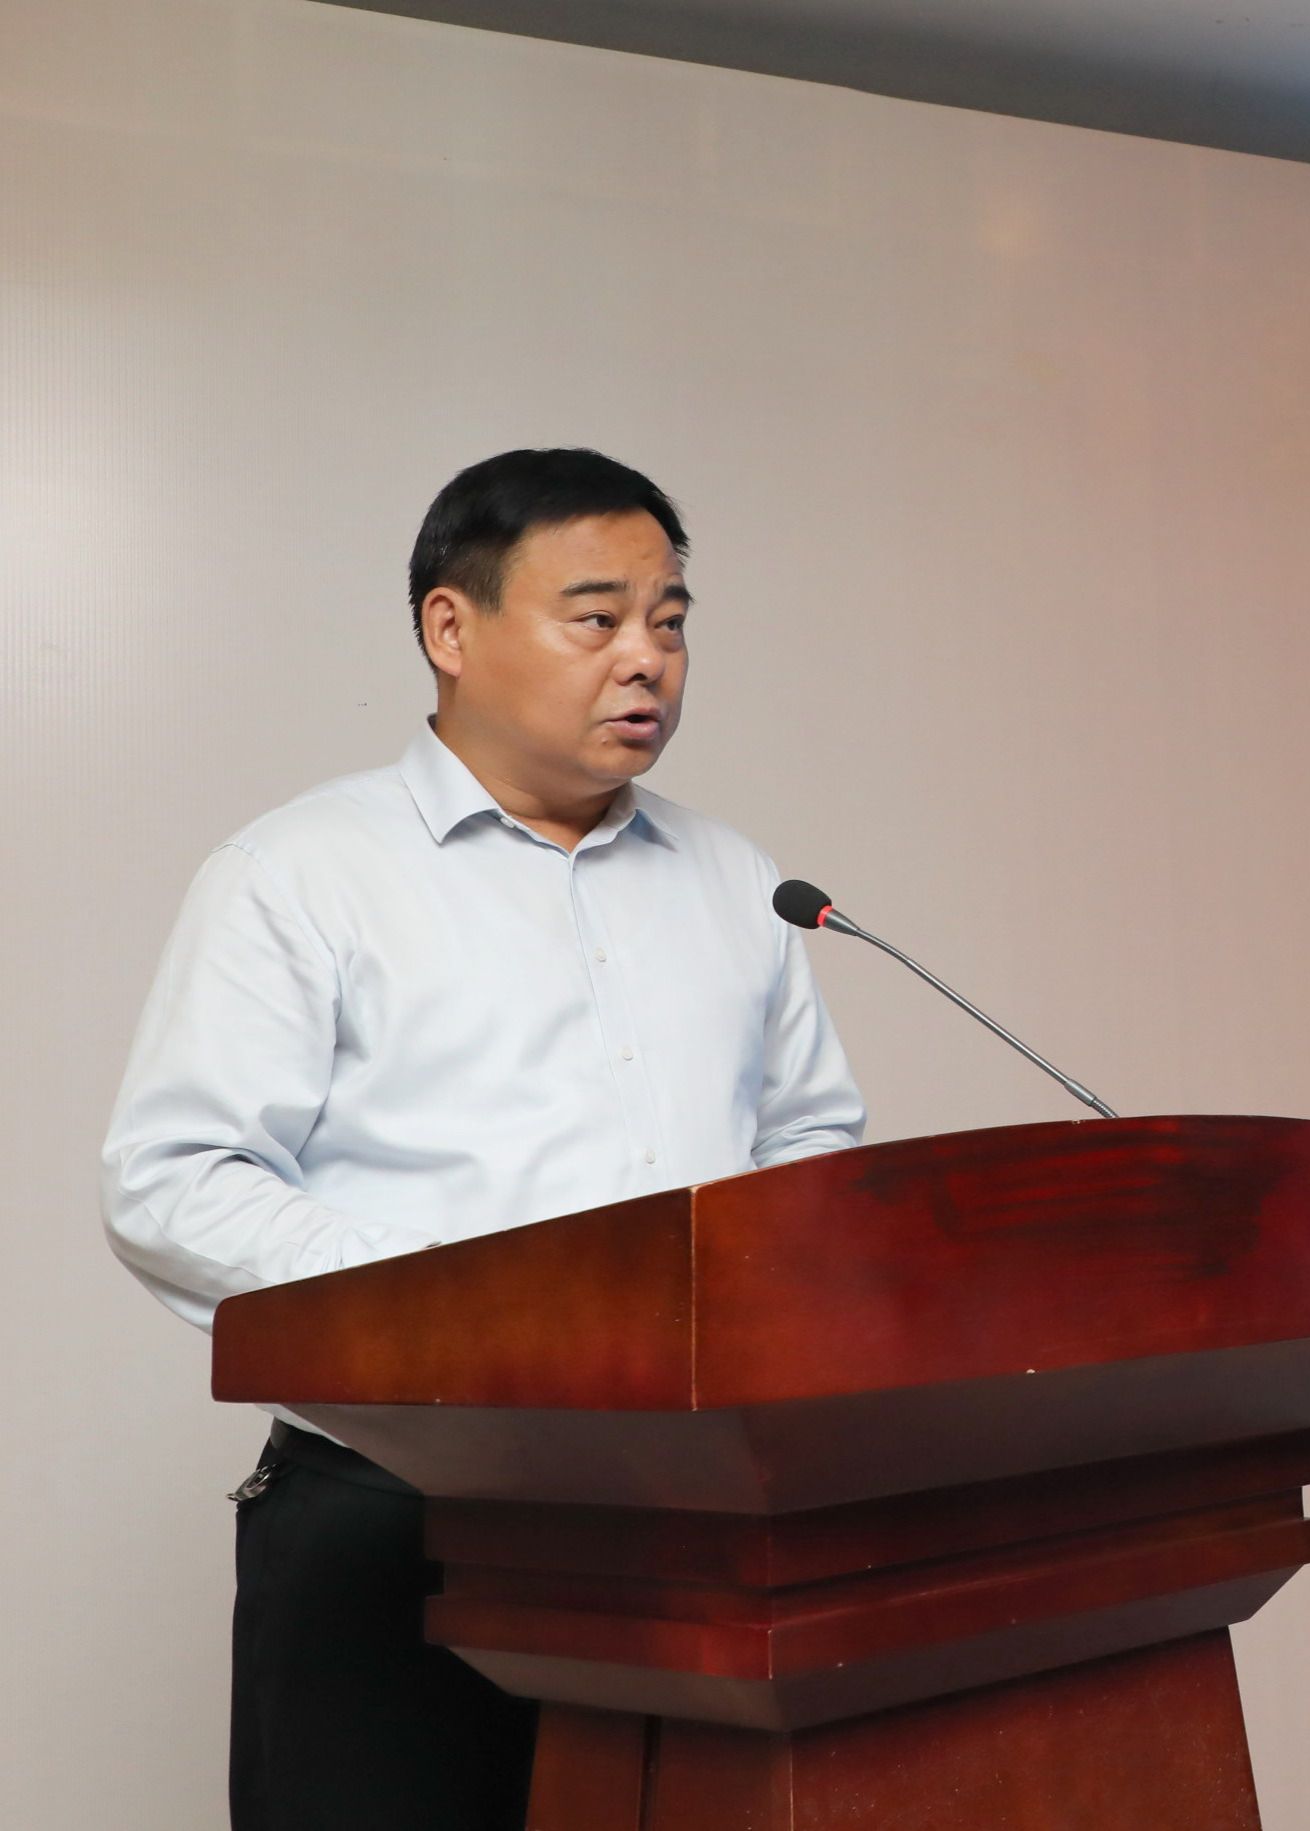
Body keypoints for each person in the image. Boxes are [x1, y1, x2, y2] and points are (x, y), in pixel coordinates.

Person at [100, 449, 866, 1829]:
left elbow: (808, 1149)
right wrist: (472, 1311)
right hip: (398, 1515)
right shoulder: (302, 875)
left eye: (671, 621)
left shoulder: (740, 884)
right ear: (450, 629)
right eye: (597, 618)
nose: (646, 659)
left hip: (685, 1520)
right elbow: (174, 1184)